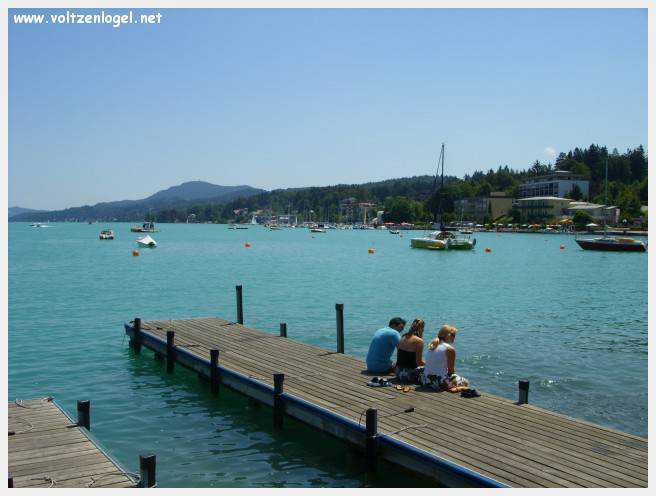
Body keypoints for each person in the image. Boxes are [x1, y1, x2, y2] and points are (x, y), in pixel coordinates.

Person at [423, 325, 469, 392]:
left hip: (426, 380)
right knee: (465, 382)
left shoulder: (432, 345)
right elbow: (451, 371)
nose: (454, 337)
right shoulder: (449, 349)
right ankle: (456, 388)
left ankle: (453, 387)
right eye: (453, 335)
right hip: (439, 383)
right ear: (448, 336)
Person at [395, 318, 425, 383]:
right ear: (421, 329)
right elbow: (419, 362)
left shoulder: (403, 336)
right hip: (409, 375)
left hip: (398, 372)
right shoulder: (419, 341)